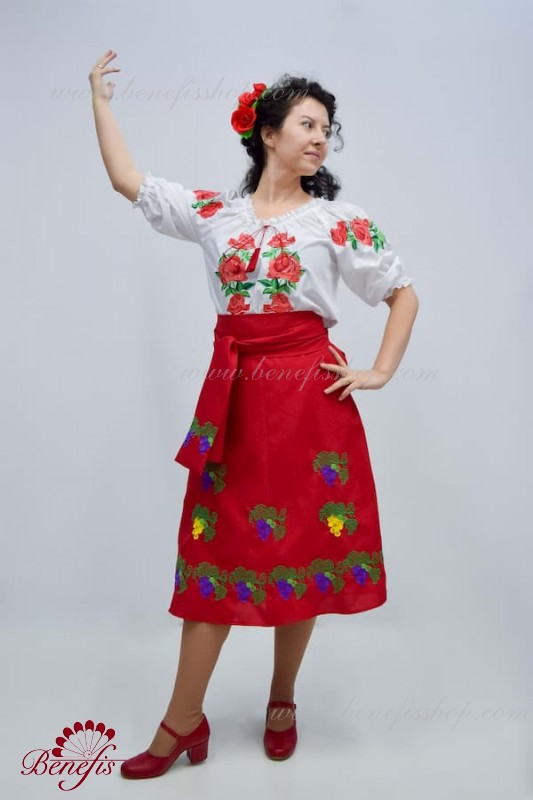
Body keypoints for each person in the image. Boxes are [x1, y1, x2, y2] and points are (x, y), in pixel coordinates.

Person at [89, 51, 419, 778]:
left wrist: (379, 370)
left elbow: (402, 293)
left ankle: (281, 699)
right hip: (234, 401)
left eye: (327, 128)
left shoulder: (338, 221)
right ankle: (183, 720)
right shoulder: (216, 213)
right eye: (307, 124)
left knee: (300, 546)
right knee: (213, 556)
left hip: (309, 402)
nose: (320, 138)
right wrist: (99, 101)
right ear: (267, 133)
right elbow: (127, 179)